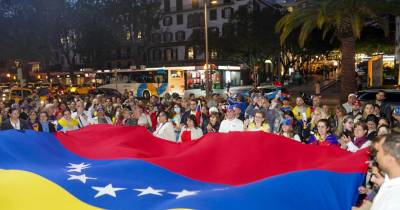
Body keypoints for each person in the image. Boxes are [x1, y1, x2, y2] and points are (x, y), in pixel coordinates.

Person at [371, 134, 400, 210]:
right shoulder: (389, 182)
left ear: (389, 158)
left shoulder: (396, 201)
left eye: (377, 151)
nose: (375, 157)